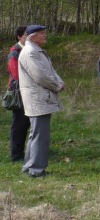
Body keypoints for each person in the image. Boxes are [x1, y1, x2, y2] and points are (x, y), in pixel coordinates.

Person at [18, 25, 65, 177]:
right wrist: (57, 86)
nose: (45, 36)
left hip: (40, 99)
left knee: (35, 133)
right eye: (42, 34)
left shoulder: (36, 51)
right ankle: (37, 170)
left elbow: (50, 71)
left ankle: (29, 166)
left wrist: (59, 81)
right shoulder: (31, 52)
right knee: (40, 135)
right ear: (33, 37)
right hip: (38, 99)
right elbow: (41, 76)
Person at [7, 26, 30, 162]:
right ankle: (16, 155)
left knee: (27, 124)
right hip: (19, 93)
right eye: (26, 35)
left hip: (28, 91)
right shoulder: (15, 52)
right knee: (19, 125)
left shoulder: (28, 50)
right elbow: (16, 74)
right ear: (19, 37)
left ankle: (25, 152)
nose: (28, 38)